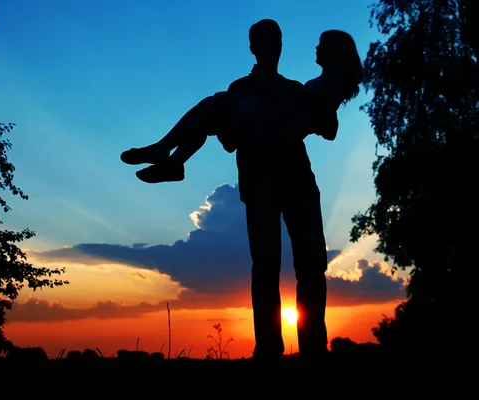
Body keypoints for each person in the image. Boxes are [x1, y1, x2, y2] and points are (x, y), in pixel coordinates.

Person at [125, 19, 363, 362]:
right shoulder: (242, 86)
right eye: (264, 41)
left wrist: (283, 117)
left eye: (275, 41)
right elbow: (228, 140)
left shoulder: (294, 87)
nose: (271, 47)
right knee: (266, 268)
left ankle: (313, 350)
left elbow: (326, 125)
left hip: (297, 179)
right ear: (254, 48)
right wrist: (251, 123)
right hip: (259, 179)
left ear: (280, 46)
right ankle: (269, 350)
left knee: (310, 266)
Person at [120, 26, 363, 185]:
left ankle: (166, 153)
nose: (317, 47)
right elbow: (230, 142)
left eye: (323, 43)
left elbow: (327, 124)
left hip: (278, 126)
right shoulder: (309, 83)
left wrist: (295, 99)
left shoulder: (332, 78)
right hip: (268, 127)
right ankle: (172, 161)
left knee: (214, 105)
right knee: (210, 113)